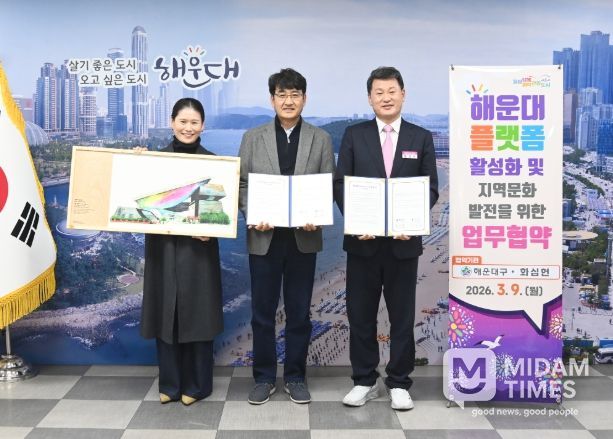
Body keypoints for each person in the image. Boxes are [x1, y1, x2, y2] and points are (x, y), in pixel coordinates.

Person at [333, 67, 439, 410]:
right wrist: (356, 220)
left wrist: (413, 219)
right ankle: (364, 380)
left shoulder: (421, 137)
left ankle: (399, 383)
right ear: (370, 98)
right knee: (360, 316)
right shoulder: (354, 135)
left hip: (403, 244)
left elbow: (431, 188)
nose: (386, 97)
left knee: (402, 318)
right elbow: (341, 183)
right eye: (379, 92)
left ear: (403, 94)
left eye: (392, 91)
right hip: (362, 243)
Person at [238, 68, 335, 405]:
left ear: (304, 99)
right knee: (262, 314)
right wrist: (253, 214)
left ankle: (295, 377)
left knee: (299, 313)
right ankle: (264, 378)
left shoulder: (321, 138)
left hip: (302, 240)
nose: (289, 101)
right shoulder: (253, 137)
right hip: (264, 238)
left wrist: (317, 218)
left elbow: (326, 185)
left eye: (295, 95)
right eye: (282, 95)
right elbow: (242, 183)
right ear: (272, 99)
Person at [139, 98, 223, 406]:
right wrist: (135, 165)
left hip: (198, 249)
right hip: (163, 247)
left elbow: (220, 213)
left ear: (203, 126)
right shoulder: (154, 160)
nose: (188, 128)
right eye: (183, 121)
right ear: (172, 122)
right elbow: (136, 199)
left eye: (194, 122)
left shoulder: (215, 164)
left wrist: (211, 229)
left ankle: (197, 384)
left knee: (198, 312)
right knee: (166, 312)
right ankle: (170, 383)